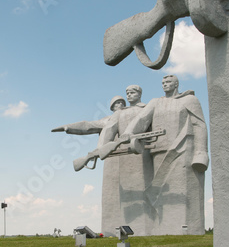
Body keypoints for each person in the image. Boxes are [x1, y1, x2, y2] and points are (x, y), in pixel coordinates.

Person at [52, 86, 155, 236]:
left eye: (121, 102)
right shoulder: (114, 117)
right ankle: (114, 230)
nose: (119, 105)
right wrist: (68, 127)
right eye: (115, 104)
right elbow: (88, 125)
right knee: (115, 197)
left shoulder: (145, 109)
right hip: (113, 157)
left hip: (137, 153)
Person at [121, 75, 209, 235]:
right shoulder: (156, 102)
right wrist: (128, 132)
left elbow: (199, 125)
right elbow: (141, 119)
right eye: (162, 83)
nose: (164, 85)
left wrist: (201, 152)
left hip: (183, 150)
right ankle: (162, 228)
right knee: (161, 192)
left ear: (176, 84)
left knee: (183, 191)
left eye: (168, 82)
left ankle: (187, 228)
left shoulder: (189, 100)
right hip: (159, 152)